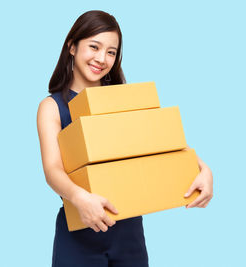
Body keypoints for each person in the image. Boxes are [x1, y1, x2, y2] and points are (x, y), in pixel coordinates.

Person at [36, 10, 213, 267]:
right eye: (94, 47)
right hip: (79, 232)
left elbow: (164, 142)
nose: (101, 58)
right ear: (72, 46)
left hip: (129, 233)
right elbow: (53, 169)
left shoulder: (122, 98)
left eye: (111, 52)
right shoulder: (52, 106)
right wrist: (80, 198)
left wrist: (204, 169)